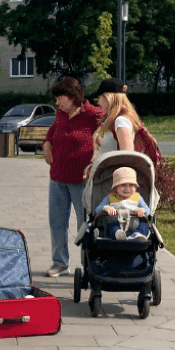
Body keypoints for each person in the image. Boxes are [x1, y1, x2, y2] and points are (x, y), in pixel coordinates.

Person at [43, 77, 104, 277]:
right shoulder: (60, 114)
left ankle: (88, 265)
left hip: (82, 181)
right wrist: (47, 145)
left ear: (73, 97)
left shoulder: (94, 115)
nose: (57, 103)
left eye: (61, 99)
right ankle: (60, 262)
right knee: (57, 222)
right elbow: (52, 133)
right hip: (58, 178)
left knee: (84, 225)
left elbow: (113, 131)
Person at [89, 77, 146, 164]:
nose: (98, 102)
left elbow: (127, 157)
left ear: (108, 98)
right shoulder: (118, 121)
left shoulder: (121, 121)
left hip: (113, 176)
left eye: (99, 98)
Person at [95, 167, 151, 241]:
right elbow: (97, 209)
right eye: (123, 185)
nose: (127, 188)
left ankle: (137, 235)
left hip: (135, 224)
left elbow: (148, 210)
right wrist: (106, 207)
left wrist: (142, 210)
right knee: (112, 227)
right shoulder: (110, 197)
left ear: (135, 186)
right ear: (116, 187)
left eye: (131, 185)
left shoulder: (138, 198)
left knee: (144, 226)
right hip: (116, 223)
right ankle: (118, 235)